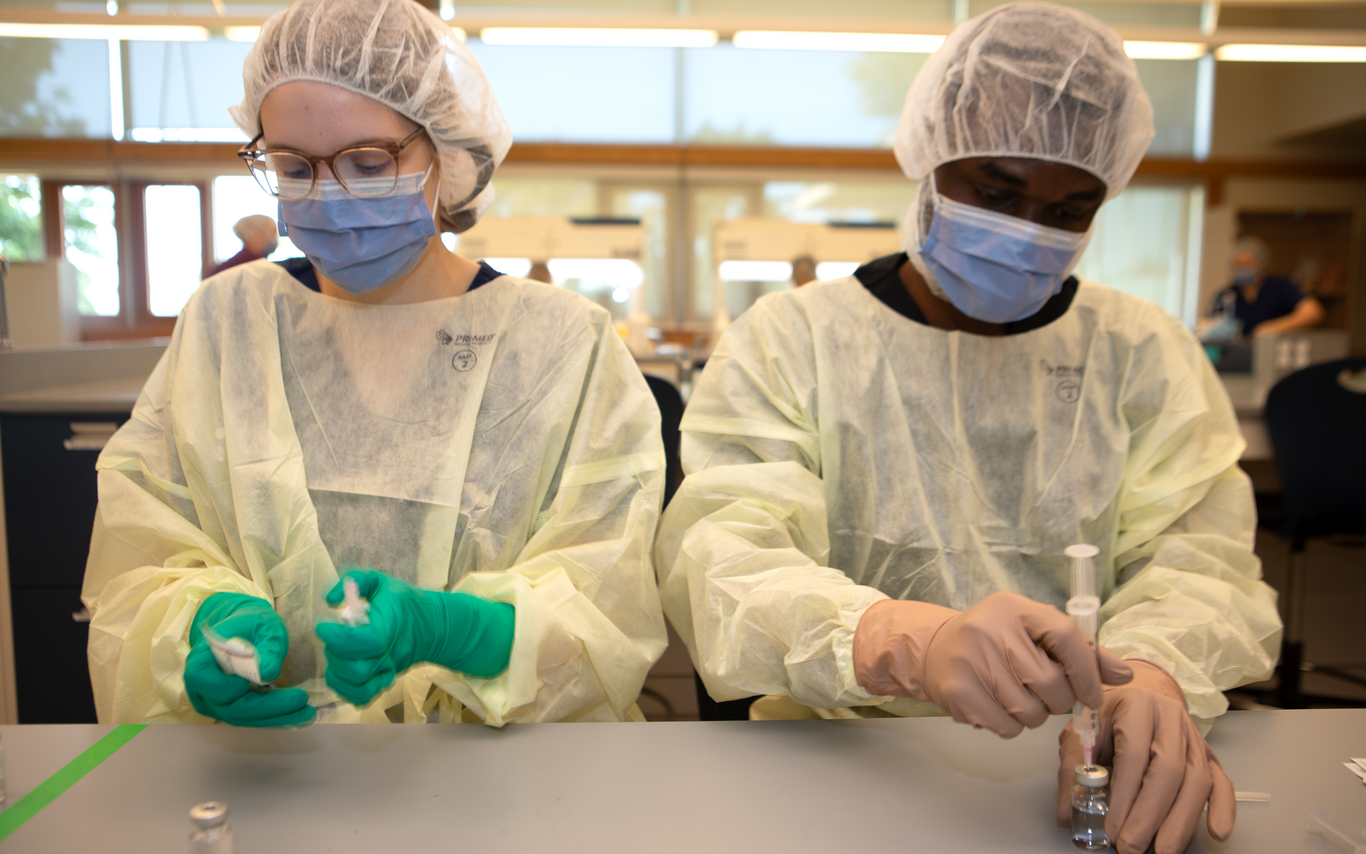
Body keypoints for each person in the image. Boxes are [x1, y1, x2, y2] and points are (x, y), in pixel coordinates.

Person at [654, 5, 1281, 854]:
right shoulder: (794, 339)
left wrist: (1156, 672)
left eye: (1069, 209)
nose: (1027, 233)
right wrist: (897, 641)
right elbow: (721, 558)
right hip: (842, 758)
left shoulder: (1143, 352)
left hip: (1082, 761)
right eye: (996, 191)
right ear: (929, 160)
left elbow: (1200, 561)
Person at [83, 0, 667, 728]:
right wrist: (194, 625)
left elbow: (605, 589)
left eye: (368, 162)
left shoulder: (559, 342)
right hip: (265, 766)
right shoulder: (225, 321)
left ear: (445, 154)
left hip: (497, 773)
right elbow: (144, 543)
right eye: (293, 166)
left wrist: (469, 631)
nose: (328, 195)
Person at [1208, 236, 1324, 339]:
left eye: (1247, 263)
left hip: (1274, 352)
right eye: (1237, 265)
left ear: (1262, 264)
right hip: (1238, 355)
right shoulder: (1227, 294)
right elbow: (1212, 324)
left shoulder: (1281, 287)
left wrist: (1273, 328)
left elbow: (1312, 312)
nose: (1241, 269)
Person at [208, 215, 278, 277]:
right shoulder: (247, 266)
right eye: (273, 234)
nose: (275, 239)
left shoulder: (228, 265)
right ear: (255, 232)